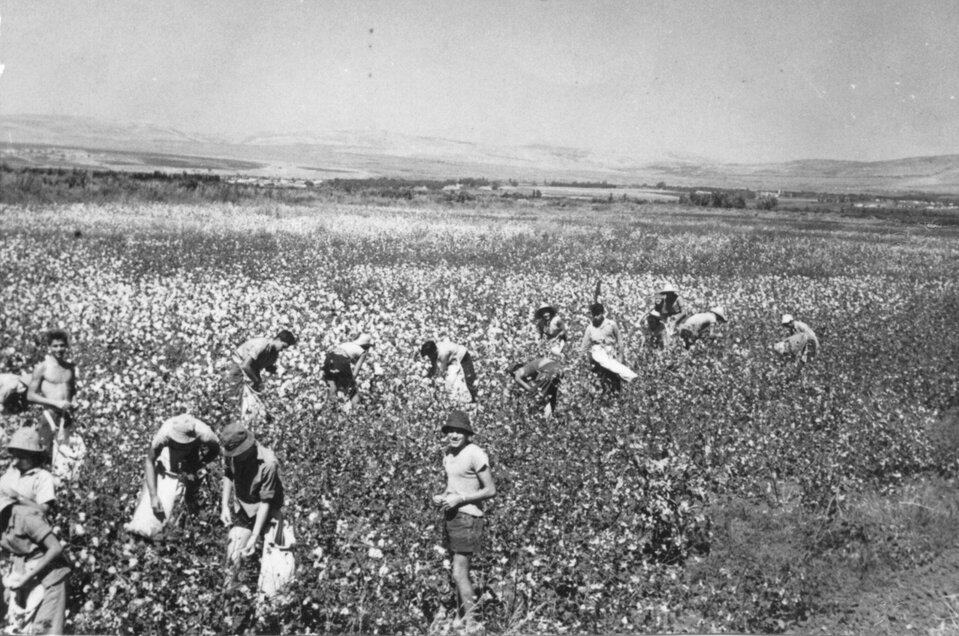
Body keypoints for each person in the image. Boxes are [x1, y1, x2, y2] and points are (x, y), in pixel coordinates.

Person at [432, 410, 496, 627]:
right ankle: (460, 618)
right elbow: (453, 486)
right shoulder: (448, 454)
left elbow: (490, 490)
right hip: (452, 515)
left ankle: (472, 623)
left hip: (469, 518)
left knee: (460, 571)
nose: (454, 435)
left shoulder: (475, 453)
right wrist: (444, 496)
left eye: (459, 431)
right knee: (457, 571)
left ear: (468, 433)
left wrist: (461, 498)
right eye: (451, 430)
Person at [125, 413, 220, 538]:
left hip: (189, 462)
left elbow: (215, 449)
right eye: (177, 443)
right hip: (165, 463)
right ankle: (141, 532)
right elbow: (149, 461)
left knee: (176, 507)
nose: (180, 447)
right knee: (149, 504)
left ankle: (170, 535)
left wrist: (199, 464)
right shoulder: (164, 434)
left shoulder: (205, 434)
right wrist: (153, 495)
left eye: (183, 444)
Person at [0, 494, 71, 635]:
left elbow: (55, 548)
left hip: (51, 575)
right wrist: (8, 586)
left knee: (43, 630)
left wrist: (27, 577)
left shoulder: (26, 517)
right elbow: (9, 554)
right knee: (19, 628)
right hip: (25, 575)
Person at [219, 422, 284, 572]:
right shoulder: (232, 454)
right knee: (233, 553)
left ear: (248, 447)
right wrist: (224, 506)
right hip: (244, 508)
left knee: (274, 564)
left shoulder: (268, 463)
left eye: (239, 453)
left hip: (269, 512)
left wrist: (254, 536)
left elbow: (265, 502)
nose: (236, 457)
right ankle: (230, 588)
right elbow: (228, 474)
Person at [222, 330, 297, 424]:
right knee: (234, 397)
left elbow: (266, 363)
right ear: (278, 339)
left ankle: (248, 419)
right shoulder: (262, 344)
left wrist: (272, 369)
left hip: (252, 369)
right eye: (283, 346)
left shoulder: (274, 353)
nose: (283, 349)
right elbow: (245, 365)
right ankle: (229, 421)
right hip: (239, 365)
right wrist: (256, 380)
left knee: (253, 397)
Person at [26, 330, 77, 459]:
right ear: (49, 347)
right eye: (55, 346)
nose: (59, 349)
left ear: (66, 346)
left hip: (66, 418)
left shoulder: (70, 368)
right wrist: (56, 403)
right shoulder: (42, 368)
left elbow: (72, 391)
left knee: (66, 459)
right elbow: (30, 396)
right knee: (44, 456)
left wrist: (74, 402)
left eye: (62, 345)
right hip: (49, 417)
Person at [580, 303, 636, 392]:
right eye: (593, 315)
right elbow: (584, 347)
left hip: (612, 355)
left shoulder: (611, 324)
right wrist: (586, 362)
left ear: (602, 313)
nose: (595, 317)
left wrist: (620, 356)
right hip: (598, 358)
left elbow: (620, 340)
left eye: (597, 314)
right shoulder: (590, 328)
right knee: (602, 383)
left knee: (615, 380)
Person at [0, 428, 56, 516]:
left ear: (34, 456)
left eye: (22, 457)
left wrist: (18, 497)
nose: (16, 461)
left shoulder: (42, 477)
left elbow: (44, 510)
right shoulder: (10, 473)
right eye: (14, 456)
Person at [322, 333, 374, 411]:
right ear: (365, 345)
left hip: (328, 360)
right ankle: (357, 407)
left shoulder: (347, 344)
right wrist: (351, 382)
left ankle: (329, 410)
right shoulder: (363, 352)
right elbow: (355, 371)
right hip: (341, 361)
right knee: (349, 385)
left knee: (332, 387)